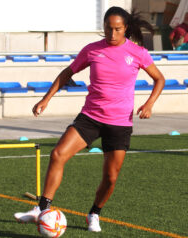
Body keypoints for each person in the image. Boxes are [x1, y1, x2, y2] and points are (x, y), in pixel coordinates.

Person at [14, 6, 165, 232]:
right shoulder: (92, 50)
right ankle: (41, 209)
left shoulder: (137, 52)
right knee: (57, 154)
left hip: (119, 123)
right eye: (107, 28)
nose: (112, 34)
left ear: (125, 29)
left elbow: (159, 79)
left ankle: (94, 213)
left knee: (110, 178)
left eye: (117, 29)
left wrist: (149, 104)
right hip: (90, 117)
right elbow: (67, 73)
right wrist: (46, 99)